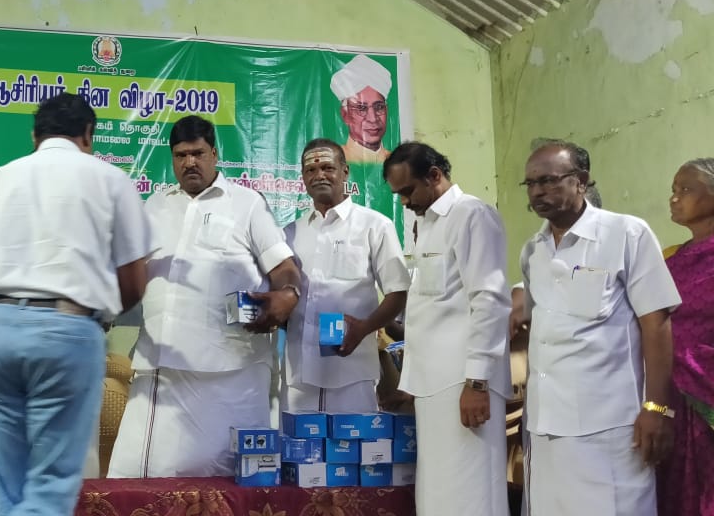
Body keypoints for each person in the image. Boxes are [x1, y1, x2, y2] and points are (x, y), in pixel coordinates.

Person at [0, 93, 151, 514]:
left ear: (34, 135)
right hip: (67, 330)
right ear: (88, 135)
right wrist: (95, 314)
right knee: (50, 485)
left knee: (4, 484)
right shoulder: (110, 179)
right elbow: (135, 283)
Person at [109, 115, 301, 478]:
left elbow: (284, 266)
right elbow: (130, 270)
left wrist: (288, 295)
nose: (189, 163)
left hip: (232, 370)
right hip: (163, 367)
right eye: (180, 155)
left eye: (197, 153)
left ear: (214, 153)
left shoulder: (246, 204)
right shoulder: (155, 205)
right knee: (140, 476)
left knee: (228, 477)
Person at [514, 141, 678, 516]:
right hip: (544, 425)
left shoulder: (626, 234)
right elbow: (539, 326)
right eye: (531, 184)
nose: (537, 191)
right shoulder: (533, 250)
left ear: (581, 180)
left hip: (610, 428)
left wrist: (656, 407)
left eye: (548, 181)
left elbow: (656, 324)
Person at [383, 142, 510, 516]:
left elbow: (489, 300)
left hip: (465, 383)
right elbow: (433, 307)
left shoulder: (472, 215)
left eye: (408, 191)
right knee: (439, 493)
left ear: (434, 175)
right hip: (434, 387)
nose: (405, 202)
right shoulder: (426, 224)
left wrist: (477, 383)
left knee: (472, 493)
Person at [281, 139, 409, 414]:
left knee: (353, 442)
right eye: (311, 170)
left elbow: (398, 292)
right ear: (303, 177)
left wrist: (364, 328)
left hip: (353, 373)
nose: (319, 175)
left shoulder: (375, 225)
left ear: (345, 172)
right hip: (299, 375)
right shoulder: (289, 233)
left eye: (328, 168)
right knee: (297, 443)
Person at [659, 158, 714, 515]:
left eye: (686, 190)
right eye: (674, 190)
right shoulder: (670, 259)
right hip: (671, 399)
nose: (675, 198)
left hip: (705, 390)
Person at [330, 54, 392, 164]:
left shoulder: (396, 161)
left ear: (386, 110)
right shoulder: (333, 161)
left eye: (379, 107)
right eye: (361, 108)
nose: (373, 119)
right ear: (345, 115)